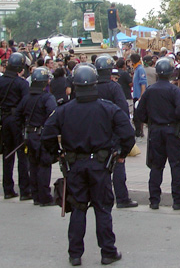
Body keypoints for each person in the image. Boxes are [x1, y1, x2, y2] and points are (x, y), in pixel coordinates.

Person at [41, 64, 135, 266]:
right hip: (100, 165)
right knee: (102, 209)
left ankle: (75, 254)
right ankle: (107, 251)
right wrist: (121, 153)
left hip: (75, 166)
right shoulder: (107, 108)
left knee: (78, 208)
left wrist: (57, 154)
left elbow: (47, 134)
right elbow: (128, 132)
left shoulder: (64, 110)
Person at [134, 57, 180, 210]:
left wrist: (151, 120)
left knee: (156, 166)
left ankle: (154, 199)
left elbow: (139, 114)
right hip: (172, 131)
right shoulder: (174, 90)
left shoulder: (150, 91)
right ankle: (179, 199)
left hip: (155, 131)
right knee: (176, 165)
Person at [95, 56, 138, 209]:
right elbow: (123, 111)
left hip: (95, 133)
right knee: (118, 163)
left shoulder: (91, 87)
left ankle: (100, 197)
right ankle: (121, 197)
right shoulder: (114, 87)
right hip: (112, 132)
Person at [14, 67, 57, 206]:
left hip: (29, 134)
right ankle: (45, 197)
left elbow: (17, 115)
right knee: (44, 165)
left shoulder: (26, 98)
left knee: (33, 165)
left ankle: (36, 195)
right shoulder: (47, 97)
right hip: (42, 135)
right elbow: (53, 116)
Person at [0, 52, 31, 200]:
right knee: (22, 155)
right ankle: (24, 190)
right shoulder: (22, 83)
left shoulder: (0, 82)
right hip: (18, 120)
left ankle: (8, 189)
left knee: (7, 155)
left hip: (5, 118)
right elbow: (26, 104)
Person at [131, 53, 147, 138]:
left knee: (138, 116)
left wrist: (142, 96)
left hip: (139, 96)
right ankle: (138, 131)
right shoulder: (136, 69)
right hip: (135, 95)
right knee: (136, 116)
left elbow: (143, 83)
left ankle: (139, 132)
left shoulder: (140, 69)